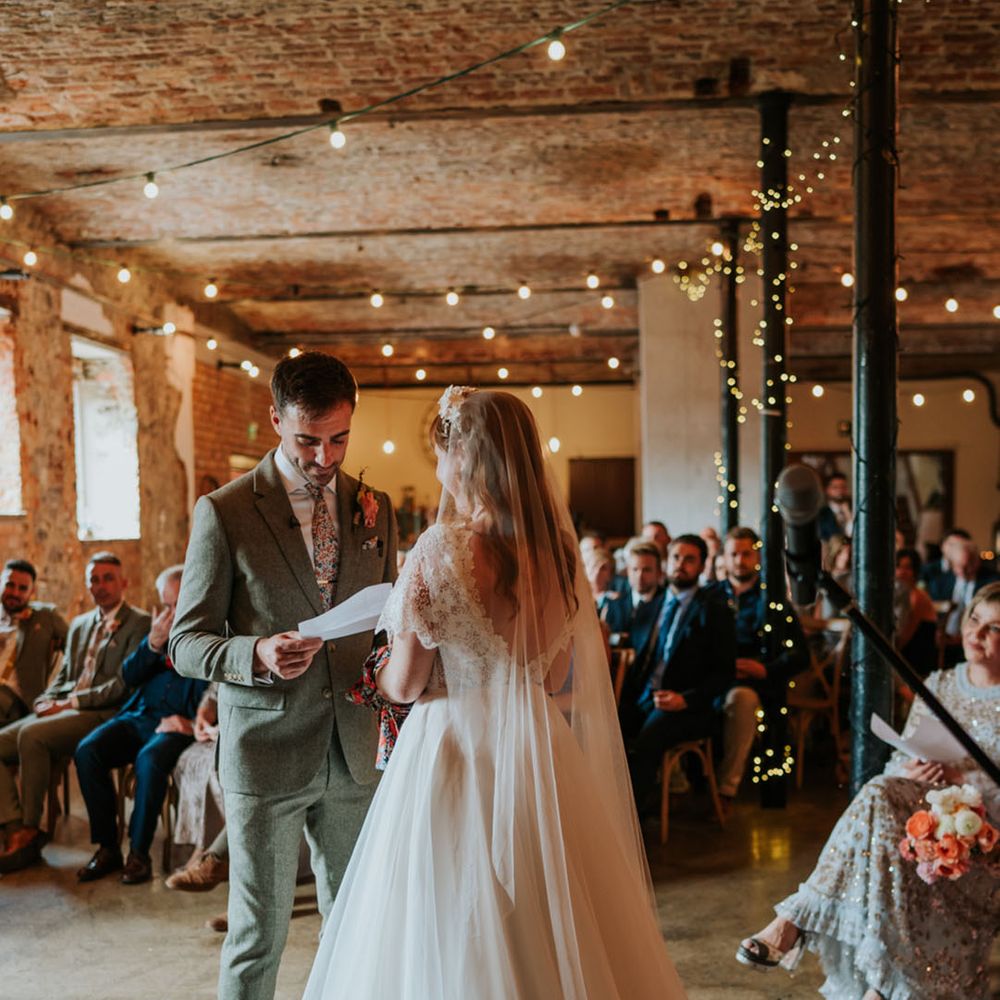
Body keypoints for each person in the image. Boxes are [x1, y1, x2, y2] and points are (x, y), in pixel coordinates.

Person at [302, 387, 686, 999]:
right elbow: (558, 676)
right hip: (538, 744)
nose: (437, 470)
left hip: (452, 746)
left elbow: (403, 681)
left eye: (440, 455)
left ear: (465, 459)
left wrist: (371, 671)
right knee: (547, 908)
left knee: (449, 914)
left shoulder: (442, 547)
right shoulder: (561, 555)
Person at [169, 351, 398, 1000]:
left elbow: (382, 623)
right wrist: (255, 654)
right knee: (258, 932)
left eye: (339, 438)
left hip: (355, 753)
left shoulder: (376, 507)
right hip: (265, 752)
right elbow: (187, 643)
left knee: (355, 926)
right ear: (274, 419)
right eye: (307, 439)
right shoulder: (226, 511)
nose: (325, 457)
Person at [736, 581, 1000, 1000]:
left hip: (986, 845)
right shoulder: (940, 684)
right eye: (974, 620)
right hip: (927, 824)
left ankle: (797, 922)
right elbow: (902, 759)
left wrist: (963, 780)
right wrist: (913, 770)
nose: (976, 634)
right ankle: (876, 985)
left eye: (994, 628)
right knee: (882, 796)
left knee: (881, 817)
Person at [0, 552, 149, 872]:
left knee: (31, 734)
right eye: (94, 579)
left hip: (107, 714)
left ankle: (31, 826)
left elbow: (123, 684)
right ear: (87, 586)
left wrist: (68, 704)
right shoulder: (81, 624)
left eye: (108, 578)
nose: (101, 586)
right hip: (66, 708)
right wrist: (46, 699)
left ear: (123, 582)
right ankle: (13, 825)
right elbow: (66, 674)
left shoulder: (140, 623)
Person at [74, 565, 207, 885]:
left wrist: (190, 723)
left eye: (177, 605)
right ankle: (108, 847)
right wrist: (152, 643)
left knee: (149, 760)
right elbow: (129, 677)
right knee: (87, 750)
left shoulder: (209, 631)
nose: (171, 613)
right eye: (166, 605)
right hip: (139, 716)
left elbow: (218, 691)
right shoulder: (158, 630)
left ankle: (138, 854)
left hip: (176, 725)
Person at [618, 534, 736, 813]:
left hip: (689, 706)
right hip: (645, 697)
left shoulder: (714, 611)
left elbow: (724, 674)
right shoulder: (654, 604)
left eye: (689, 559)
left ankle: (634, 824)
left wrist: (686, 699)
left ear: (702, 565)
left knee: (647, 742)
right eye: (676, 558)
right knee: (604, 726)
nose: (680, 565)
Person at [714, 527, 808, 805]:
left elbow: (800, 655)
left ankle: (726, 789)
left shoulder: (773, 600)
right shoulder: (712, 596)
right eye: (733, 554)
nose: (740, 560)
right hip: (714, 678)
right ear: (725, 557)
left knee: (741, 700)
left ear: (757, 556)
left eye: (746, 553)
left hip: (756, 684)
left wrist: (765, 669)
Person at [0, 559, 68, 727]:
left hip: (18, 698)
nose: (15, 593)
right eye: (10, 585)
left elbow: (76, 654)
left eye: (22, 588)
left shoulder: (45, 617)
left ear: (32, 591)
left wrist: (57, 693)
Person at [602, 539, 665, 651]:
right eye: (635, 569)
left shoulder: (667, 605)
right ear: (627, 571)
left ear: (659, 572)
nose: (639, 576)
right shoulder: (614, 604)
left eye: (646, 570)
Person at [893, 547, 938, 678]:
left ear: (915, 571)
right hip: (905, 652)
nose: (902, 572)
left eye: (907, 568)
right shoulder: (899, 596)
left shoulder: (917, 597)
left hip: (917, 658)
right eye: (898, 567)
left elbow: (904, 637)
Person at [817, 472, 853, 540]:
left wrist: (848, 513)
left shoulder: (854, 509)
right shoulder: (821, 514)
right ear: (827, 490)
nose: (840, 490)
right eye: (835, 487)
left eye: (843, 487)